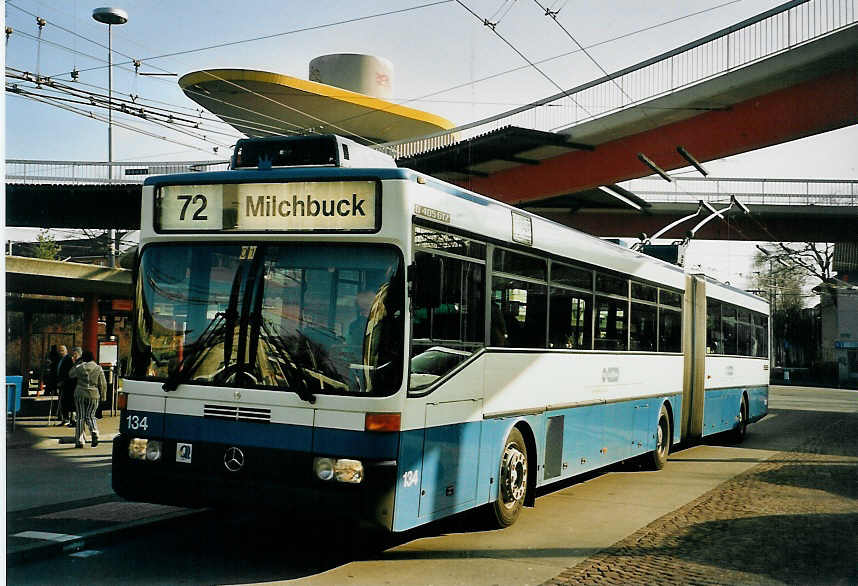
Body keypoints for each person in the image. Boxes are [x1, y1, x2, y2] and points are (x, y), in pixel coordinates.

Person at [68, 349, 106, 448]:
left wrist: (77, 363)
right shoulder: (98, 368)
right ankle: (94, 431)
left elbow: (70, 374)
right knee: (90, 415)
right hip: (93, 394)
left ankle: (80, 440)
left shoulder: (80, 367)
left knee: (80, 417)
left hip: (80, 393)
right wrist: (103, 396)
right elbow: (103, 384)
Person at [56, 345, 77, 427]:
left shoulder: (68, 359)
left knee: (68, 401)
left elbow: (69, 372)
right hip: (61, 384)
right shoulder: (60, 359)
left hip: (67, 384)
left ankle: (70, 419)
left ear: (66, 351)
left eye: (62, 350)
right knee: (63, 402)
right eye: (60, 350)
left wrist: (63, 381)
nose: (60, 352)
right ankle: (65, 418)